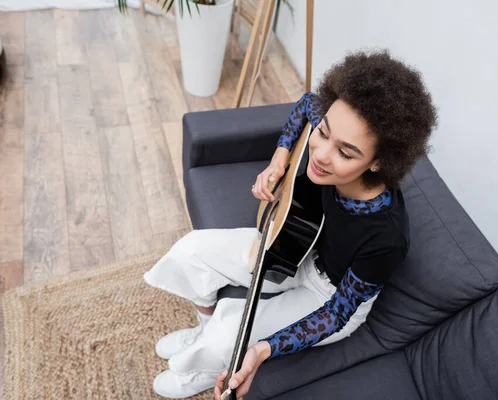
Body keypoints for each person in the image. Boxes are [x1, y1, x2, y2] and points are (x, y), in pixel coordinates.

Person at [144, 48, 438, 399]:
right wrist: (277, 163)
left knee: (228, 336)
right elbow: (306, 105)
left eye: (346, 152)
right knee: (190, 252)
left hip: (327, 294)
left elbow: (338, 313)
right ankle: (202, 327)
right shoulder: (328, 128)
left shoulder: (386, 237)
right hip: (297, 243)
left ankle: (202, 367)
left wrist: (263, 349)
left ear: (378, 162)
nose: (321, 154)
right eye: (324, 132)